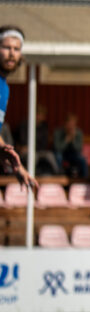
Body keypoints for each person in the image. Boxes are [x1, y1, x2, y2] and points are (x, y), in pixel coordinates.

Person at [0, 25, 37, 193]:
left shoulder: (4, 87)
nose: (12, 53)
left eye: (16, 49)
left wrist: (18, 168)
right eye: (6, 47)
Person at [16, 104, 60, 176]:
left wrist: (32, 147)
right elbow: (22, 141)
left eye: (41, 115)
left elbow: (44, 144)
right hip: (26, 151)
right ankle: (30, 175)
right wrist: (25, 147)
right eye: (38, 114)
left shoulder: (44, 127)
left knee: (50, 155)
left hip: (39, 150)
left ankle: (57, 175)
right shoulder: (24, 125)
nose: (39, 117)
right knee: (33, 156)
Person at [53, 112, 88, 179]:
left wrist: (73, 139)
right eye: (69, 123)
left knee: (82, 159)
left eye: (73, 124)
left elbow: (79, 149)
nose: (71, 126)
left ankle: (84, 179)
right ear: (65, 123)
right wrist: (66, 140)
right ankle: (59, 176)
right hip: (61, 154)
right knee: (58, 156)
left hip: (73, 155)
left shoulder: (78, 133)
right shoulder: (58, 132)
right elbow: (57, 148)